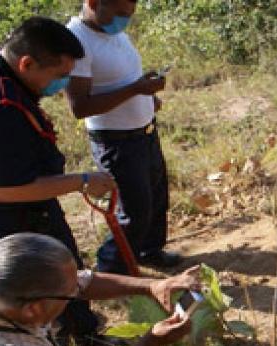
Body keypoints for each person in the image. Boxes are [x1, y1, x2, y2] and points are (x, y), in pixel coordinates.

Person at [0, 16, 119, 342]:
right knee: (48, 281)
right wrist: (81, 180)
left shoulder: (12, 83)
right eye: (59, 76)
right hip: (16, 220)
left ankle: (82, 335)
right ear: (27, 63)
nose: (64, 84)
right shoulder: (5, 108)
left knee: (63, 274)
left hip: (34, 209)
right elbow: (8, 190)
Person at [0, 233, 199, 346]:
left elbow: (85, 282)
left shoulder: (11, 293)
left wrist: (153, 286)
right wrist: (150, 344)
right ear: (32, 310)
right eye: (71, 293)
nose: (78, 290)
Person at [65, 0, 181, 275]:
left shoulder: (113, 31)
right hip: (117, 142)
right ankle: (110, 273)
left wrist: (148, 95)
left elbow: (124, 77)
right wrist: (136, 90)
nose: (124, 20)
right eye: (120, 14)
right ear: (93, 3)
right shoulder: (77, 42)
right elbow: (80, 107)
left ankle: (147, 252)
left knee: (155, 199)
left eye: (129, 15)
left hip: (145, 133)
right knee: (134, 212)